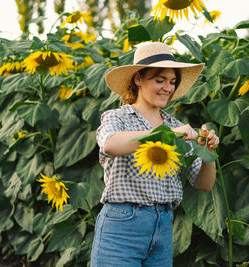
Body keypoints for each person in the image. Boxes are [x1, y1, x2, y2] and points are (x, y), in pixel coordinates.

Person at [91, 41, 219, 266]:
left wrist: (209, 153)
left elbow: (204, 184)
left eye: (172, 82)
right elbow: (110, 145)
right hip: (122, 225)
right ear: (138, 79)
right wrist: (166, 134)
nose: (168, 88)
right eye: (159, 80)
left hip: (163, 227)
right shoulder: (117, 118)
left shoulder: (175, 125)